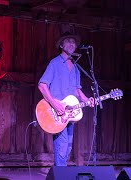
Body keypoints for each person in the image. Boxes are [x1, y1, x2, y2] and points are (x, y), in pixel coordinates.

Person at [37, 31, 95, 166]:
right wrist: (54, 104)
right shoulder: (55, 63)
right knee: (62, 147)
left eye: (73, 42)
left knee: (67, 147)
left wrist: (87, 99)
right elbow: (42, 85)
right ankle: (61, 175)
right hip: (56, 112)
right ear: (61, 45)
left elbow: (77, 90)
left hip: (70, 112)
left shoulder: (76, 67)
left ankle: (59, 173)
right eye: (68, 41)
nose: (71, 43)